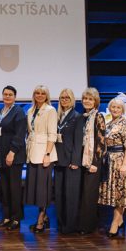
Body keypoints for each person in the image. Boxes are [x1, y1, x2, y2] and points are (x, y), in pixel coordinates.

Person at [99, 98, 126, 238]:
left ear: (122, 110)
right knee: (114, 194)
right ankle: (119, 220)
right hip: (109, 161)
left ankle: (115, 223)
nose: (115, 109)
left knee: (120, 193)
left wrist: (124, 165)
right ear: (109, 108)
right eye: (113, 107)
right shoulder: (109, 124)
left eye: (118, 107)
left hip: (121, 161)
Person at [24, 85, 57, 233]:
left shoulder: (50, 110)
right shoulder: (30, 110)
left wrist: (47, 154)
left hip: (44, 154)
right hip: (32, 153)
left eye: (43, 93)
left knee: (43, 189)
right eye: (37, 93)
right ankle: (44, 216)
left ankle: (41, 219)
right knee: (36, 189)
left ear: (47, 96)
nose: (39, 95)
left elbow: (52, 134)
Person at [0, 85, 26, 231]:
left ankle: (16, 218)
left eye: (10, 94)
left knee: (14, 188)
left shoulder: (18, 112)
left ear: (15, 97)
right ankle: (6, 217)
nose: (7, 96)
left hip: (14, 156)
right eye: (5, 94)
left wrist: (12, 152)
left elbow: (20, 134)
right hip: (1, 155)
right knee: (4, 188)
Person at [77, 87, 106, 235]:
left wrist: (95, 162)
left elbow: (101, 142)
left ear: (96, 101)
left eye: (90, 99)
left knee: (89, 194)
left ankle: (87, 226)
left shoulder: (98, 116)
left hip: (93, 161)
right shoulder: (83, 117)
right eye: (85, 98)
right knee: (83, 193)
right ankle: (82, 223)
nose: (87, 101)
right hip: (82, 159)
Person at [54, 88, 82, 234]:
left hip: (71, 162)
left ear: (72, 100)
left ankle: (70, 226)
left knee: (70, 195)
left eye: (67, 97)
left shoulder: (77, 117)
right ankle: (61, 223)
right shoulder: (57, 116)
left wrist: (76, 161)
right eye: (62, 97)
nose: (64, 100)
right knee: (59, 194)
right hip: (58, 160)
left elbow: (78, 141)